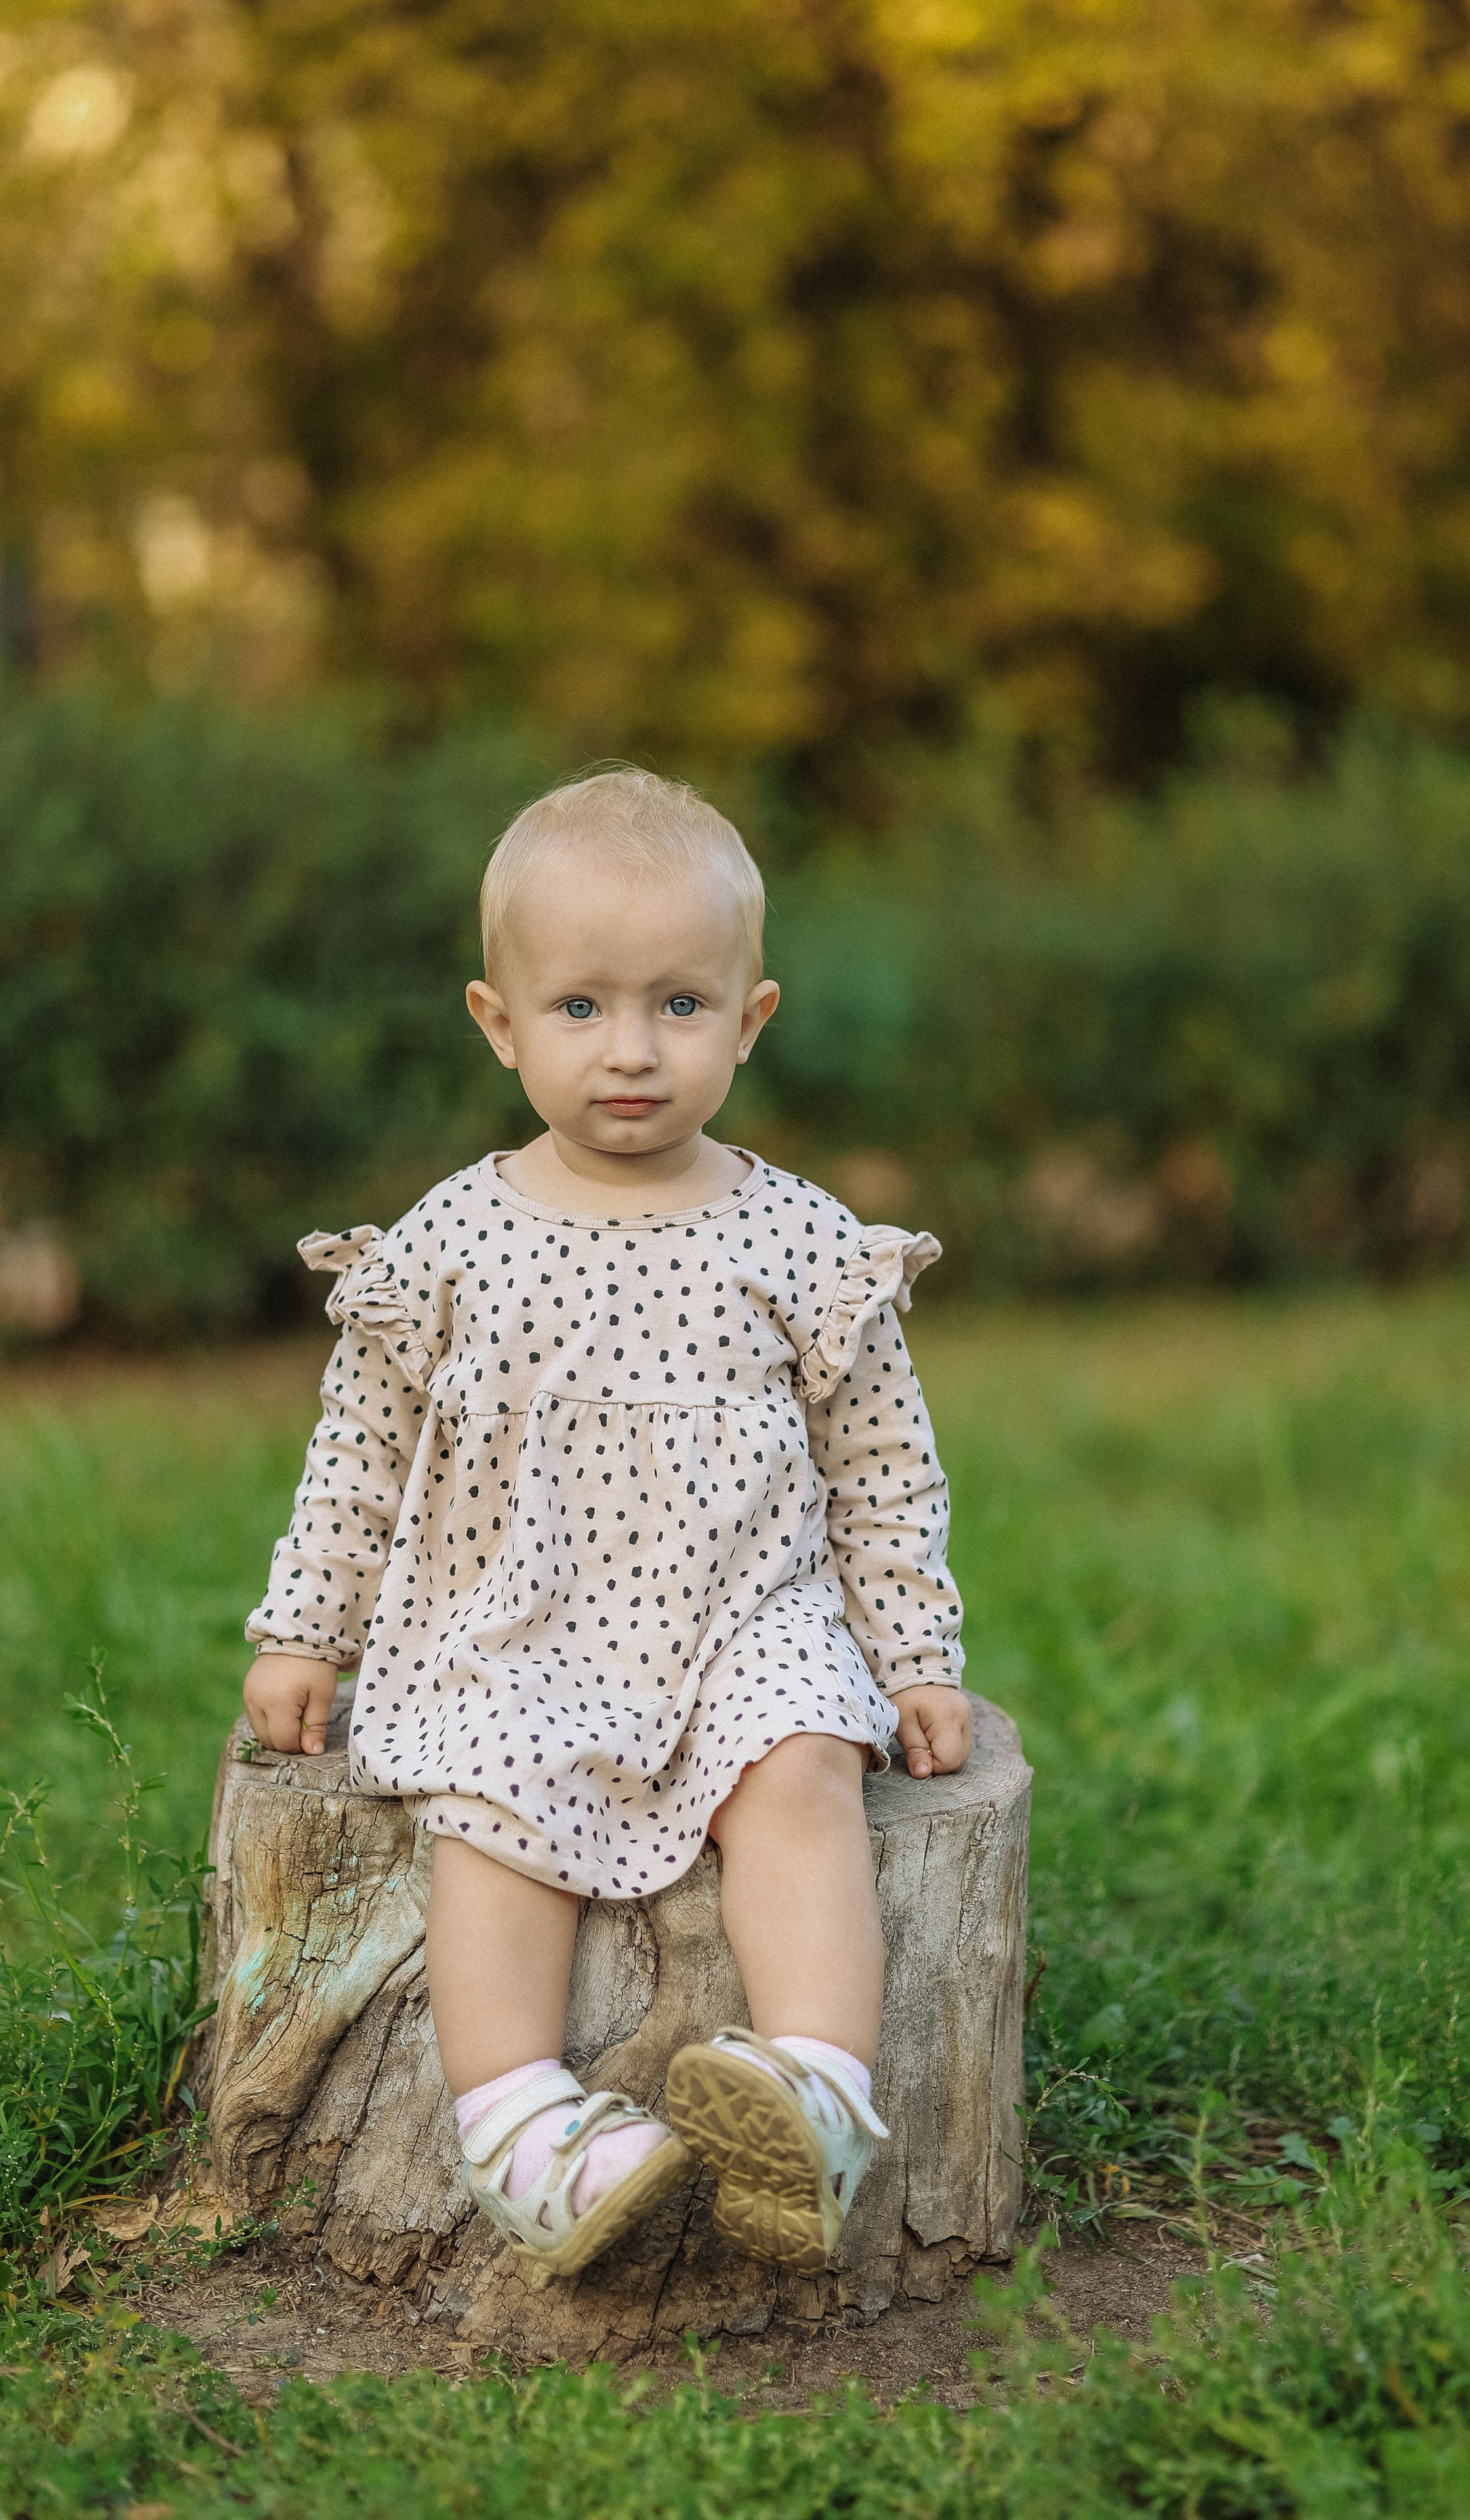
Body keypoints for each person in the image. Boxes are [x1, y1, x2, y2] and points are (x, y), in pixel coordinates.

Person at [241, 767, 969, 2288]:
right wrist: (308, 1623)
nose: (630, 1050)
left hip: (740, 1613)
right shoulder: (451, 1235)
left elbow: (880, 1467)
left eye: (679, 1006)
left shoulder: (802, 1240)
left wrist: (910, 1656)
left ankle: (815, 2091)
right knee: (486, 1821)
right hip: (516, 1615)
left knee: (802, 1769)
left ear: (751, 1017)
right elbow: (361, 1448)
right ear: (498, 1023)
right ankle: (521, 2127)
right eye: (578, 1008)